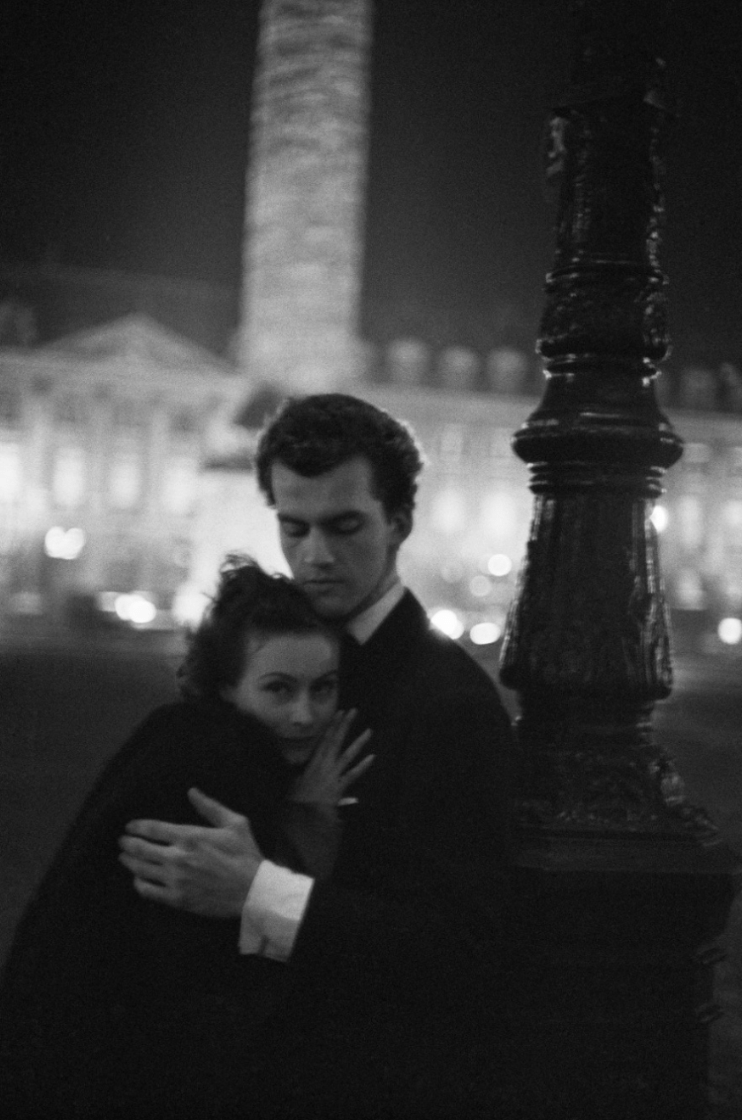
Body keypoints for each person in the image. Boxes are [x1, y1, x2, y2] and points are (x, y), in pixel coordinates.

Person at [118, 393, 515, 1118]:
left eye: (344, 526)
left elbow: (465, 946)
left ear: (399, 522)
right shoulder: (278, 648)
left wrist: (259, 892)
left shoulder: (449, 703)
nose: (315, 556)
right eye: (293, 527)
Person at [0, 556, 372, 1118]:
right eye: (279, 689)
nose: (305, 715)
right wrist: (307, 838)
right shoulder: (225, 766)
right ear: (227, 686)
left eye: (323, 689)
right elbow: (214, 983)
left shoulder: (179, 735)